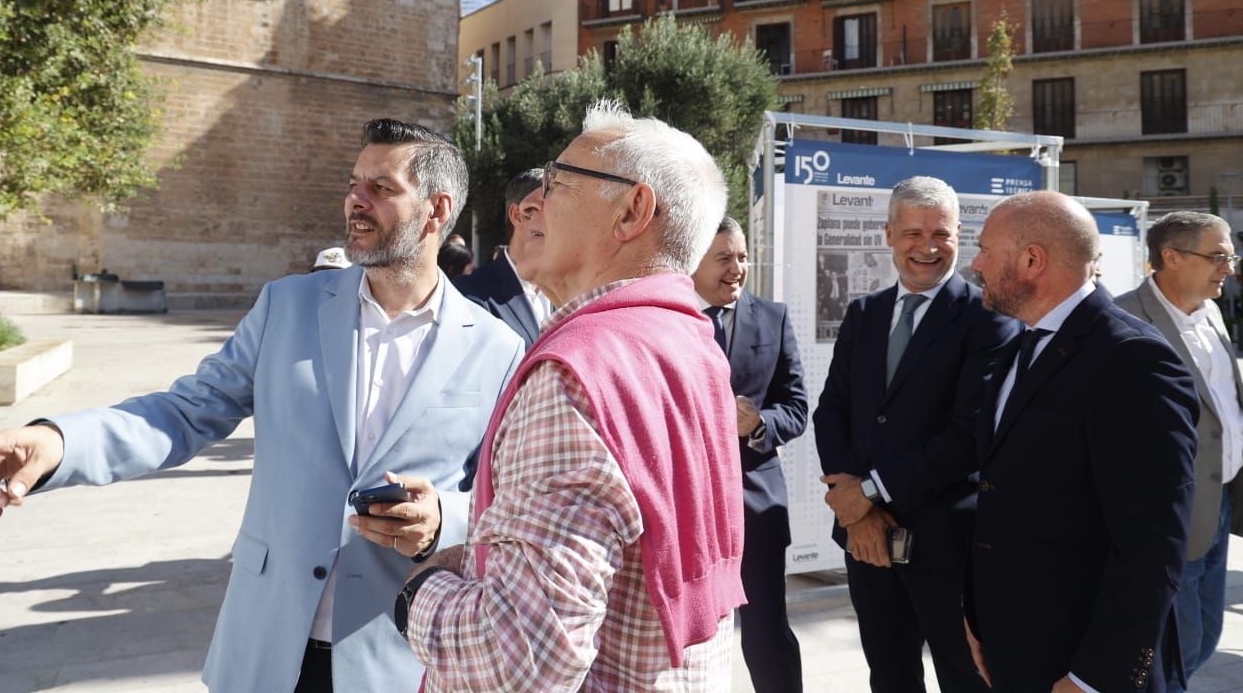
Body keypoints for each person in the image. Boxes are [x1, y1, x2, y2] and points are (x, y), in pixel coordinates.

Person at [0, 119, 526, 693]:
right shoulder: (287, 307)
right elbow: (185, 411)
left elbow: (514, 504)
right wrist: (59, 442)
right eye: (353, 183)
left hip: (399, 655)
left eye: (381, 188)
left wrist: (443, 519)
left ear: (438, 209)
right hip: (266, 646)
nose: (355, 201)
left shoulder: (498, 347)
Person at [399, 101, 746, 691]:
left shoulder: (578, 373)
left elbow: (519, 661)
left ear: (633, 210)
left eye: (557, 183)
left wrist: (418, 594)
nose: (532, 203)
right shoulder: (689, 337)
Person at [966, 191, 1198, 693]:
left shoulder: (1133, 361)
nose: (975, 262)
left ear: (1032, 260)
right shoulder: (1019, 343)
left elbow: (1153, 546)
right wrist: (977, 616)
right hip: (1013, 648)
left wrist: (1095, 677)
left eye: (985, 249)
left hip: (1082, 666)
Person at [813, 176, 1018, 693]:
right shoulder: (865, 313)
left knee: (964, 675)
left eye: (941, 234)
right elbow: (832, 410)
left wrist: (870, 493)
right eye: (912, 233)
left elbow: (968, 433)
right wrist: (856, 508)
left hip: (948, 544)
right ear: (888, 234)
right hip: (865, 540)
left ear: (960, 234)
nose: (927, 247)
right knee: (889, 673)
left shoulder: (990, 319)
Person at [1114, 211, 1242, 691]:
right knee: (1179, 643)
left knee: (1206, 635)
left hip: (1220, 502)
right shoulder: (1124, 318)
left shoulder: (1210, 312)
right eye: (1218, 257)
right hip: (1167, 510)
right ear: (1170, 257)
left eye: (1230, 256)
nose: (1228, 268)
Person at [691, 216, 808, 693]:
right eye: (724, 258)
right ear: (693, 261)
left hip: (756, 505)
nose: (737, 268)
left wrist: (759, 425)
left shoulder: (772, 317)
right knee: (691, 638)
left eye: (742, 256)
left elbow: (797, 407)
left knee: (765, 634)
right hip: (688, 511)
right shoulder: (668, 318)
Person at [453, 168, 549, 346]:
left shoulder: (569, 292)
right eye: (549, 209)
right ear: (517, 215)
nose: (560, 219)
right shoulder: (469, 293)